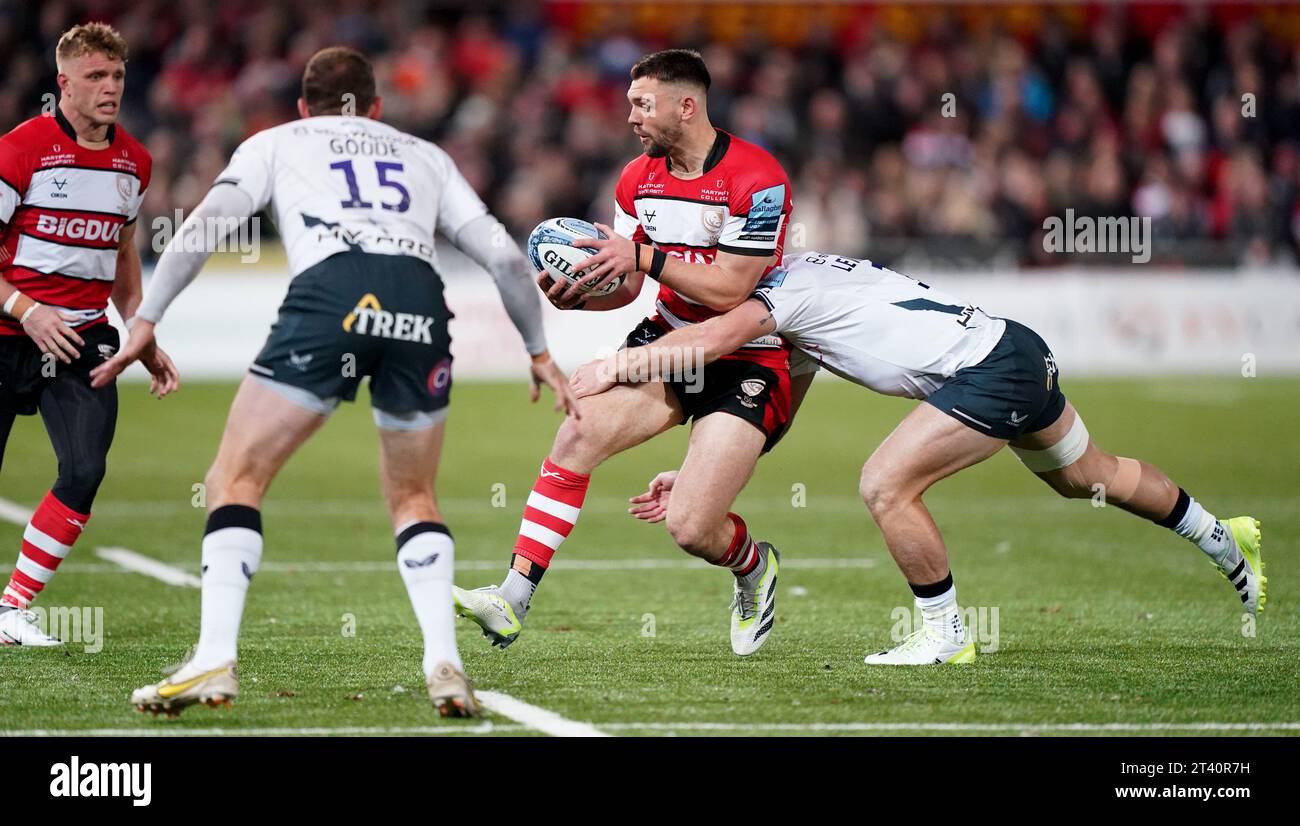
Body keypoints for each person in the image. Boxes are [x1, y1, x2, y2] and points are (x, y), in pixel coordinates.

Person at [91, 46, 575, 715]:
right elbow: (501, 256)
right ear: (376, 107)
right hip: (419, 295)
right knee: (414, 494)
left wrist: (146, 316)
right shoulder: (423, 153)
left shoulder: (278, 141)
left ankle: (213, 660)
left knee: (236, 478)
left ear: (301, 106)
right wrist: (540, 350)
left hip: (335, 290)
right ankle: (444, 663)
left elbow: (206, 226)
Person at [570, 250, 1265, 665]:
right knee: (1092, 477)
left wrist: (618, 364)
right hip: (1015, 347)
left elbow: (720, 337)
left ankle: (945, 635)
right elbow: (778, 409)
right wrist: (704, 468)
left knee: (884, 484)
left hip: (988, 369)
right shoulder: (803, 295)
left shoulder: (782, 293)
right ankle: (1221, 534)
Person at [453, 49, 795, 657]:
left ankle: (751, 565)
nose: (631, 116)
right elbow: (631, 286)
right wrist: (579, 297)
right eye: (630, 103)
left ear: (686, 106)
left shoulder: (757, 178)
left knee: (691, 529)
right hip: (668, 344)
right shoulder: (637, 179)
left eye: (644, 104)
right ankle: (511, 597)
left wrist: (640, 257)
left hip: (750, 355)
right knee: (575, 437)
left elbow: (732, 288)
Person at [0, 22, 178, 646]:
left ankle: (12, 608)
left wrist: (138, 329)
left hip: (82, 339)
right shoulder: (18, 152)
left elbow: (123, 251)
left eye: (118, 76)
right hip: (7, 332)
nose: (110, 88)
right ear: (64, 83)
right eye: (96, 76)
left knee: (84, 468)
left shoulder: (135, 162)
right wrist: (26, 308)